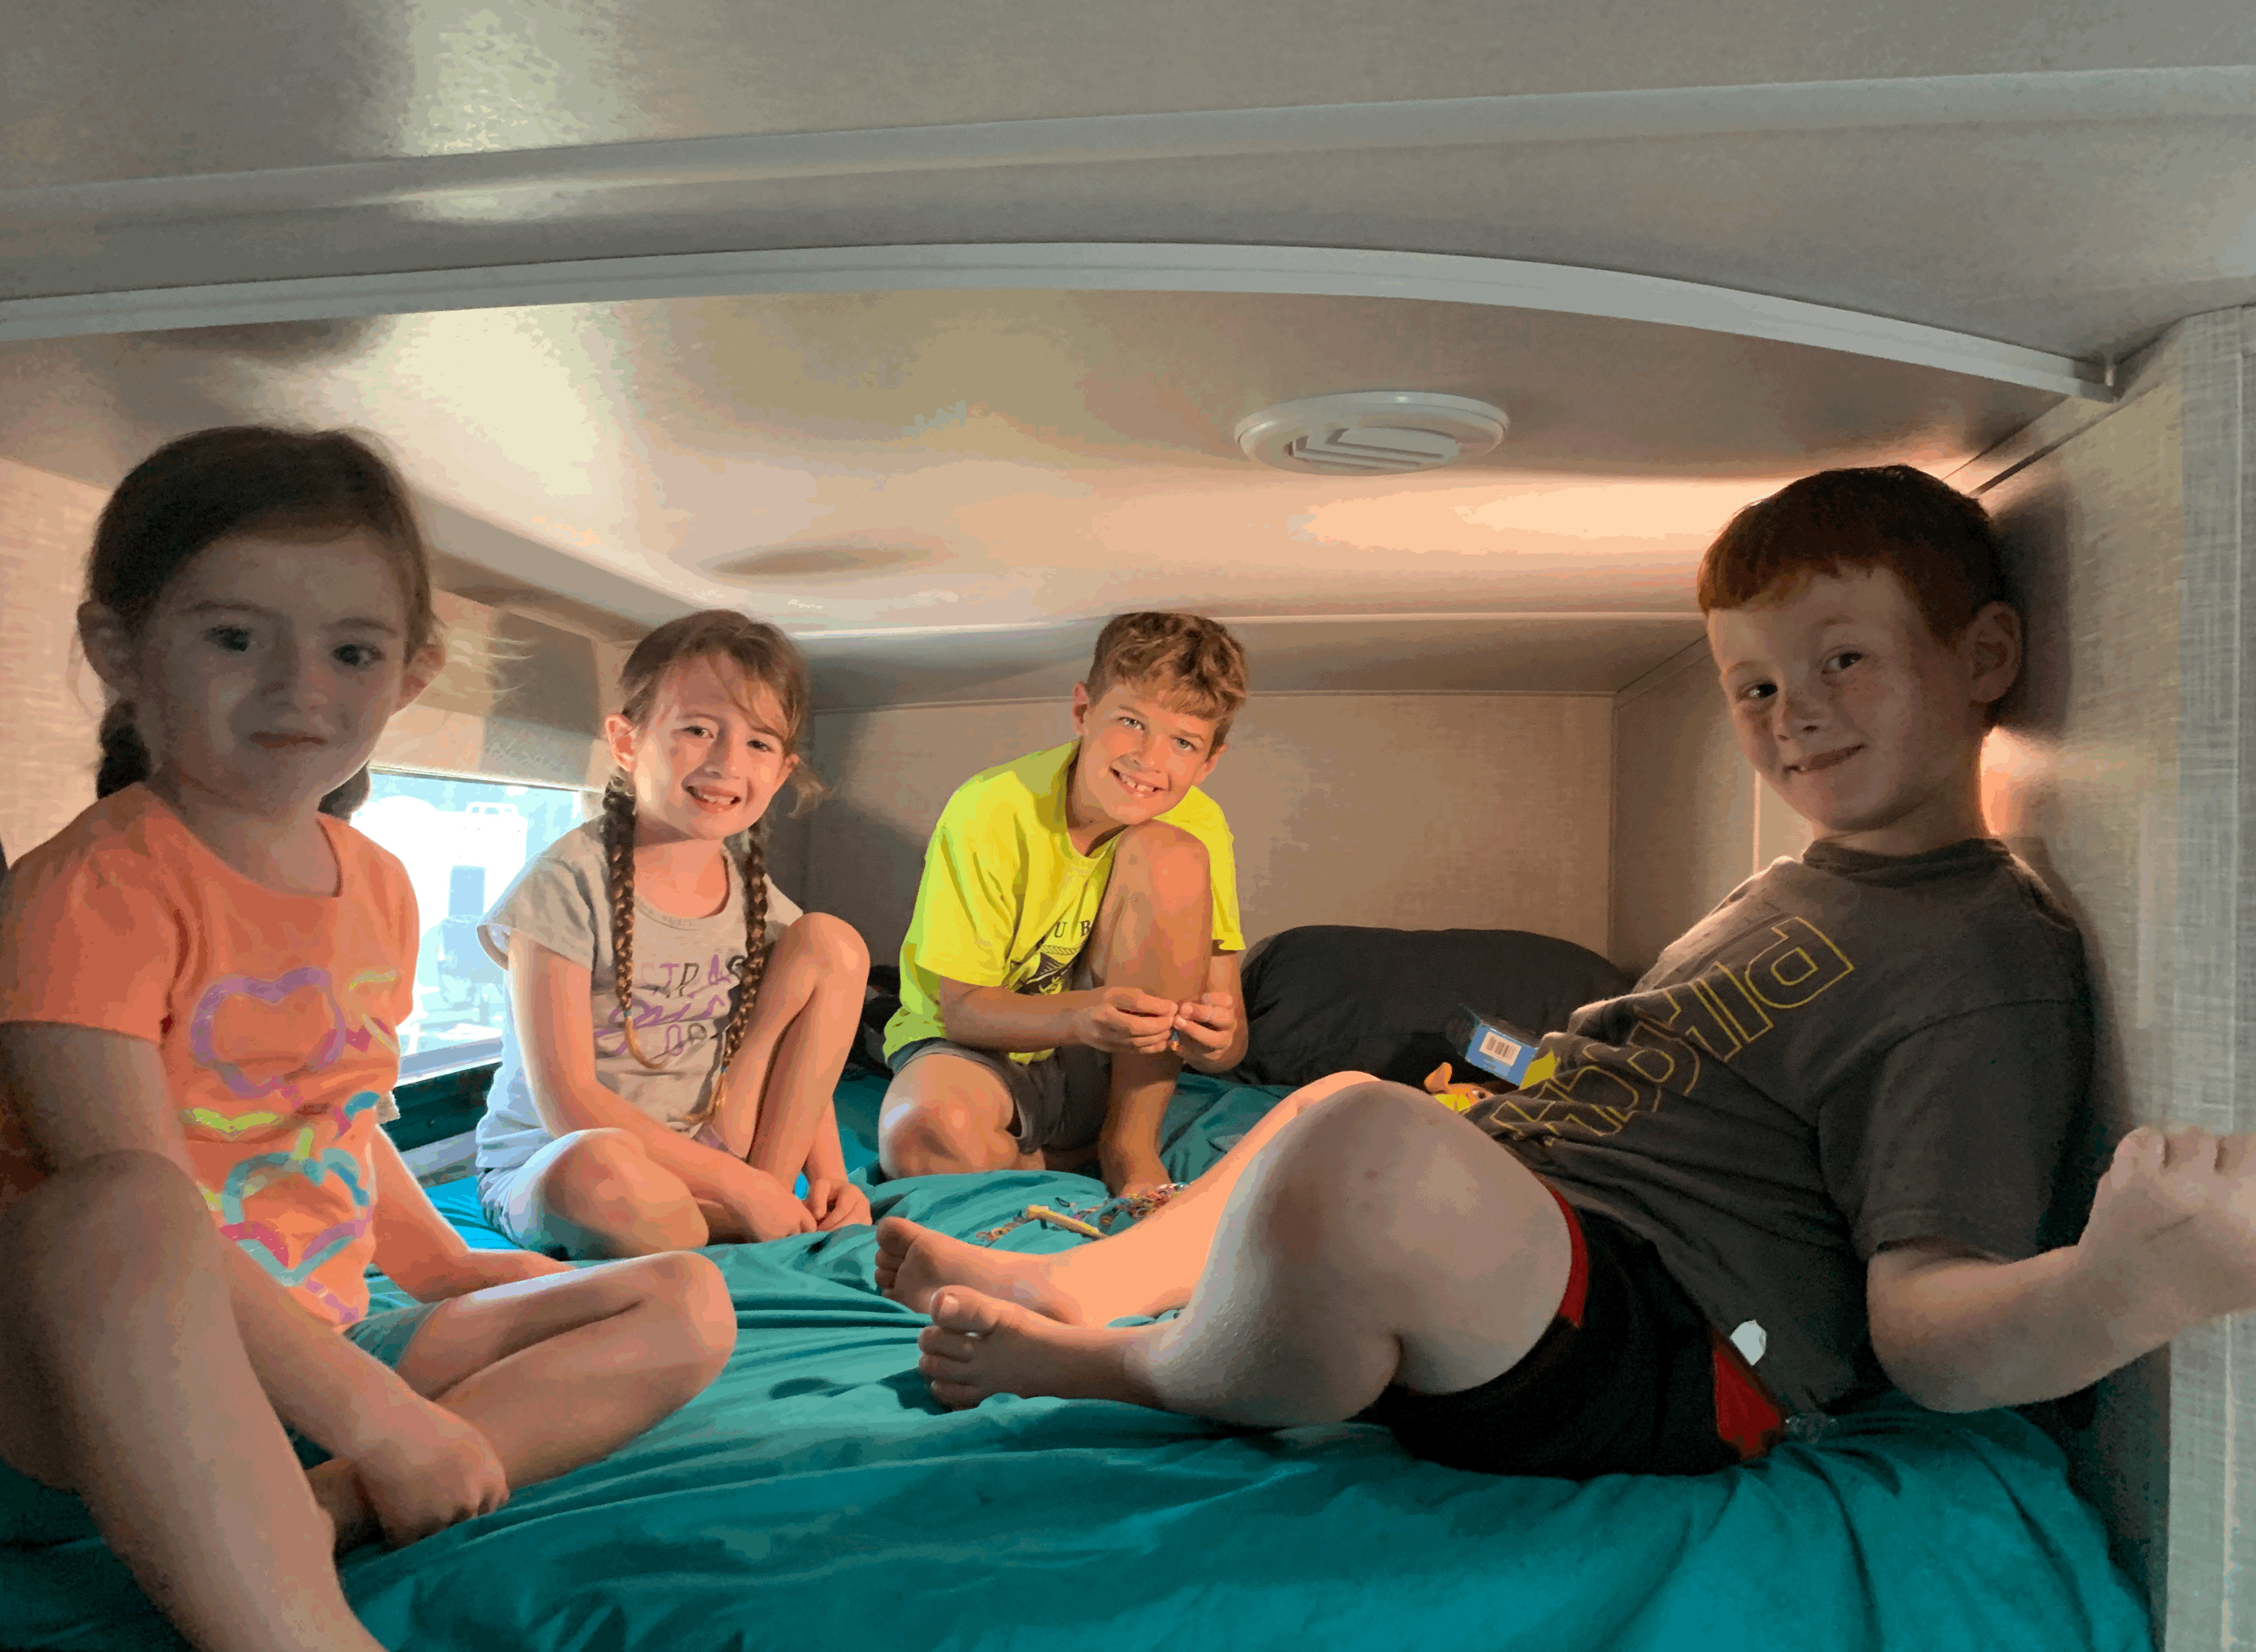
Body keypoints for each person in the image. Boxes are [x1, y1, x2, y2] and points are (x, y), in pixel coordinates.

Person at [875, 465, 2256, 1480]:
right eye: (1754, 686)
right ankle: (1087, 1285)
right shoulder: (1793, 888)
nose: (1793, 713)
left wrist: (2117, 1285)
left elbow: (1928, 1325)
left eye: (1842, 659)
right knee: (1345, 1102)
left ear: (1984, 656)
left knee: (1363, 1147)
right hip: (1551, 1232)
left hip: (1676, 1339)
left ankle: (1130, 1364)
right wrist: (1499, 1097)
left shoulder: (1975, 956)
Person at [0, 426, 738, 1651]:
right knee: (127, 1205)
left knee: (687, 1300)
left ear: (409, 673)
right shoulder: (92, 889)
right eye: (234, 639)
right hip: (92, 1398)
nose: (299, 690)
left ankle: (317, 1510)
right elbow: (121, 1214)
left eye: (350, 651)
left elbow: (332, 1117)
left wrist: (446, 1274)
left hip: (324, 1348)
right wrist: (381, 1416)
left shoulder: (379, 885)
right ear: (119, 652)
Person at [473, 610, 872, 1257]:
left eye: (758, 744)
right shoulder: (565, 884)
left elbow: (802, 1064)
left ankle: (770, 1204)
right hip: (565, 1159)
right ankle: (742, 1217)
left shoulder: (759, 902)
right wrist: (736, 1186)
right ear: (626, 742)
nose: (726, 762)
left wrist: (829, 1176)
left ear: (781, 772)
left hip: (711, 1153)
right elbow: (568, 1102)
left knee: (832, 944)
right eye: (697, 730)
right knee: (600, 1176)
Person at [877, 613, 1251, 1199]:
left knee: (1170, 852)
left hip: (1108, 1065)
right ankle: (1064, 1162)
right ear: (1083, 711)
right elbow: (964, 1012)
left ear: (1208, 762)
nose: (1150, 759)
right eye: (1131, 722)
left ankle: (1129, 1146)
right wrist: (1081, 1015)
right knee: (918, 1138)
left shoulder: (1200, 822)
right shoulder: (989, 808)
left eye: (1182, 742)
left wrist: (1213, 1043)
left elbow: (1230, 1040)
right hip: (977, 1052)